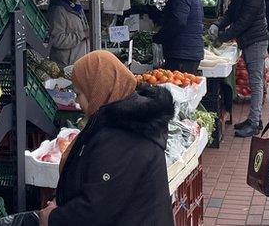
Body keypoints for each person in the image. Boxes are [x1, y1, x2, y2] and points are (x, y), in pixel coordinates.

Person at [40, 51, 174, 226]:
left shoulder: (123, 136)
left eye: (79, 93)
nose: (78, 102)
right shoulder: (119, 121)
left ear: (98, 90)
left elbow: (97, 209)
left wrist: (53, 219)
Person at [209, 0, 269, 137]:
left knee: (256, 81)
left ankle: (255, 121)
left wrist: (222, 37)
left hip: (256, 41)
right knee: (254, 80)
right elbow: (231, 13)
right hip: (247, 40)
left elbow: (243, 22)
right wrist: (217, 24)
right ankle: (253, 118)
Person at [152, 0, 204, 74]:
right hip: (188, 51)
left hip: (182, 53)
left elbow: (178, 21)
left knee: (178, 87)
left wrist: (159, 37)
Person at [47, 0, 89, 66]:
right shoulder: (58, 9)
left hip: (79, 61)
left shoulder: (76, 5)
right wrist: (82, 34)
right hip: (65, 64)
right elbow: (56, 40)